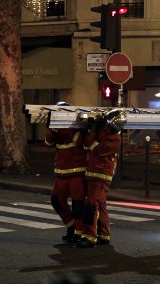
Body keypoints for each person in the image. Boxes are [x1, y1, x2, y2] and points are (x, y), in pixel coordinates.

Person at [76, 109, 126, 248]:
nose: (106, 126)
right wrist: (94, 128)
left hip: (101, 175)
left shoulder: (115, 139)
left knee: (91, 205)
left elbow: (97, 149)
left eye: (108, 125)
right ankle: (104, 235)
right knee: (101, 204)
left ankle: (89, 236)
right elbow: (87, 146)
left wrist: (92, 132)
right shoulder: (103, 129)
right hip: (93, 173)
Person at [45, 102, 88, 243]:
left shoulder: (78, 127)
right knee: (56, 201)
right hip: (61, 172)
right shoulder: (56, 128)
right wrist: (54, 131)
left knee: (78, 205)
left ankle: (79, 233)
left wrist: (66, 128)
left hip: (77, 172)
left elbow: (79, 141)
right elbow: (48, 142)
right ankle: (71, 226)